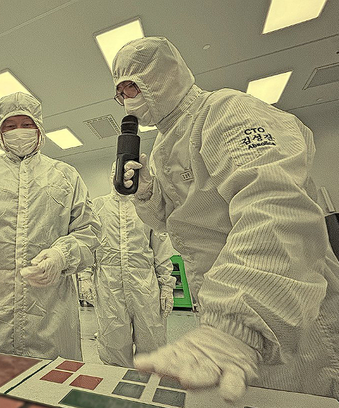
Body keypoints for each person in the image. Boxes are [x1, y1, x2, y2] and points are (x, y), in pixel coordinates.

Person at [111, 36, 339, 402]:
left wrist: (235, 326)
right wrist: (147, 194)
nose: (127, 99)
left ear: (163, 75)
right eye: (120, 92)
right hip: (223, 303)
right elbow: (173, 225)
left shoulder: (226, 110)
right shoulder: (163, 146)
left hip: (282, 302)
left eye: (132, 86)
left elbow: (273, 206)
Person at [0, 92, 100, 360]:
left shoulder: (65, 175)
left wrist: (61, 256)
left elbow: (89, 232)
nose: (19, 131)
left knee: (49, 378)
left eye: (26, 124)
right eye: (10, 125)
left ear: (39, 128)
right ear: (0, 132)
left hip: (50, 308)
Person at [93, 165, 176, 368]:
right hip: (108, 284)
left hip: (144, 284)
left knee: (151, 341)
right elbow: (89, 243)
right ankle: (116, 383)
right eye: (116, 173)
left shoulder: (146, 207)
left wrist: (167, 286)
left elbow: (161, 247)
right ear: (111, 176)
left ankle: (150, 384)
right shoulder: (98, 206)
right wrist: (84, 277)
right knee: (113, 342)